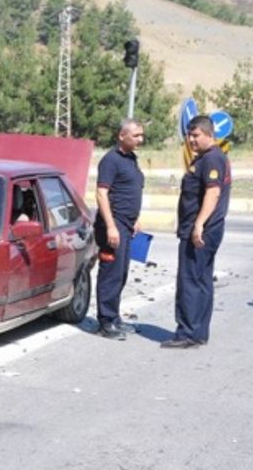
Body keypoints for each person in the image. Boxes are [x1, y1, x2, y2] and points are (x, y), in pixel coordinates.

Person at [162, 115, 231, 349]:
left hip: (202, 231)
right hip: (203, 229)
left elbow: (212, 194)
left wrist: (199, 224)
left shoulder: (211, 159)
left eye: (196, 135)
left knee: (190, 281)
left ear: (210, 135)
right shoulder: (207, 158)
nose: (191, 139)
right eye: (189, 135)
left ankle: (188, 333)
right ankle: (199, 332)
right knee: (201, 281)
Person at [94, 118, 145, 340]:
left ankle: (114, 317)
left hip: (126, 224)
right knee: (111, 274)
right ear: (121, 136)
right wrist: (111, 227)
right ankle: (105, 321)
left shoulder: (132, 159)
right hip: (113, 225)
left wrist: (135, 219)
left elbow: (128, 191)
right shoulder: (110, 160)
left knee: (121, 273)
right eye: (135, 136)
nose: (140, 140)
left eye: (141, 135)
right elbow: (101, 194)